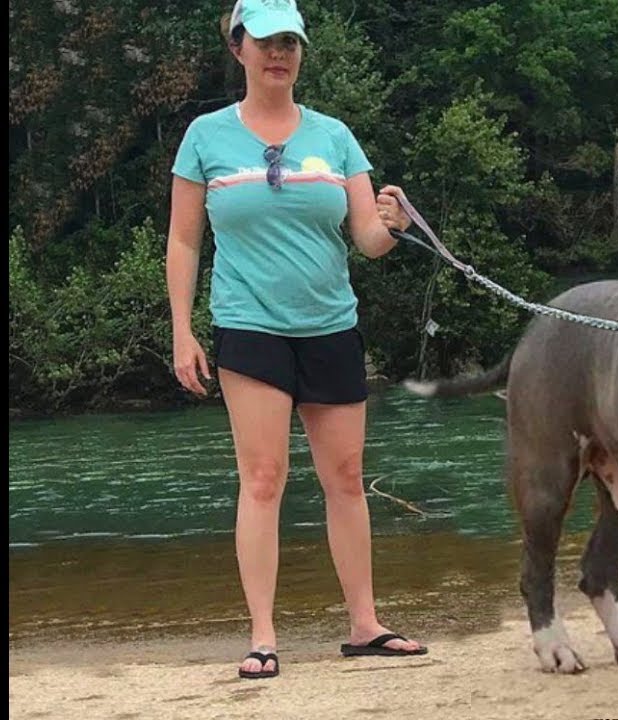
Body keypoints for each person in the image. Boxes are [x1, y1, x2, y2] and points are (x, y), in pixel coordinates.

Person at [165, 0, 422, 679]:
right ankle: (262, 636)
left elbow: (366, 238)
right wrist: (181, 330)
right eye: (266, 41)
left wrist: (393, 225)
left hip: (331, 326)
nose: (279, 53)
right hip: (249, 328)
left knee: (345, 478)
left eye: (291, 42)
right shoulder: (205, 136)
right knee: (263, 478)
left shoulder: (335, 136)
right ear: (239, 47)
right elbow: (185, 238)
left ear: (301, 51)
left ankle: (364, 624)